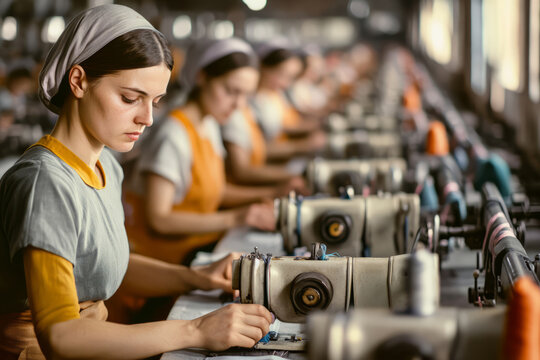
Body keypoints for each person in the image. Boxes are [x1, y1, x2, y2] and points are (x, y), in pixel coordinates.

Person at [0, 5, 271, 359]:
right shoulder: (45, 182)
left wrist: (196, 277)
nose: (147, 118)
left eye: (155, 102)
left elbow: (101, 265)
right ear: (78, 81)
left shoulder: (106, 166)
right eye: (130, 98)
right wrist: (195, 329)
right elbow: (61, 335)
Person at [124, 37, 279, 267]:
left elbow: (215, 190)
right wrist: (237, 217)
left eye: (246, 95)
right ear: (202, 77)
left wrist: (271, 195)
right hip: (164, 264)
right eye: (231, 91)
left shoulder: (208, 124)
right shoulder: (174, 134)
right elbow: (159, 219)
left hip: (195, 251)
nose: (239, 105)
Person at [251, 39, 326, 162]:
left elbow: (285, 126)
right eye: (281, 74)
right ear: (263, 66)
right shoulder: (248, 102)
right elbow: (257, 149)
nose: (285, 84)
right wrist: (302, 145)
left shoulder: (275, 94)